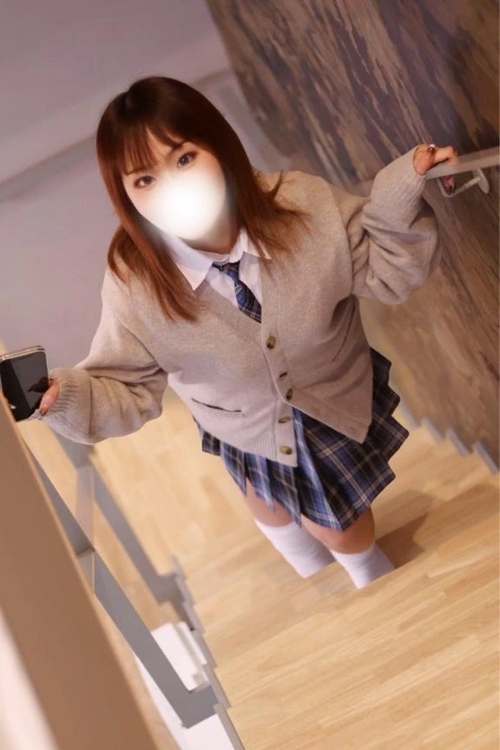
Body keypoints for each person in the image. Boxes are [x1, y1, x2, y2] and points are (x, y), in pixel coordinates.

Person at [37, 76, 458, 589]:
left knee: (344, 527)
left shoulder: (303, 205)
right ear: (124, 194)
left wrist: (398, 192)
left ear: (219, 145)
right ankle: (309, 571)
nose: (169, 186)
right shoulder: (134, 282)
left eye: (184, 158)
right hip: (237, 421)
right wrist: (62, 396)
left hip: (327, 394)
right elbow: (124, 384)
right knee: (265, 495)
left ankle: (372, 583)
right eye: (143, 179)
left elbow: (384, 269)